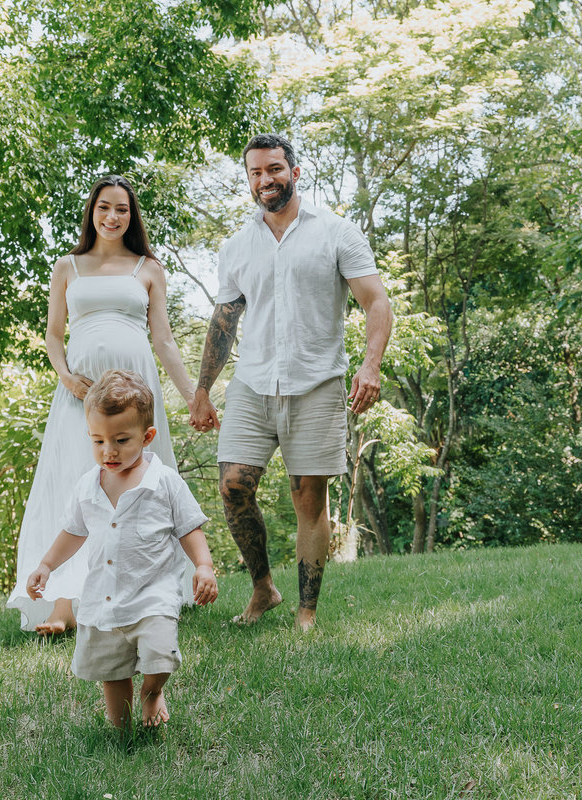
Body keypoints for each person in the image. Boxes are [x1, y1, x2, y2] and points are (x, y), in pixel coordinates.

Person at [189, 133, 392, 632]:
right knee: (233, 487)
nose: (266, 180)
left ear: (295, 173)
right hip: (252, 385)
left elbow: (377, 303)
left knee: (308, 499)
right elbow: (224, 320)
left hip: (316, 384)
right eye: (256, 172)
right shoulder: (237, 246)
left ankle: (307, 612)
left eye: (274, 170)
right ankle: (263, 588)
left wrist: (370, 365)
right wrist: (202, 389)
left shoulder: (337, 232)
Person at [7, 175, 200, 634]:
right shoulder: (68, 267)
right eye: (104, 208)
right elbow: (55, 336)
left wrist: (195, 396)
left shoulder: (148, 268)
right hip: (81, 396)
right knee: (75, 484)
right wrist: (68, 378)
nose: (113, 217)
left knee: (140, 488)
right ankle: (64, 607)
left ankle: (144, 596)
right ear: (91, 213)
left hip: (136, 391)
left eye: (123, 210)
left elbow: (165, 340)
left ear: (132, 217)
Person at [27, 370, 218, 728]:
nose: (109, 451)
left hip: (153, 593)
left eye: (121, 440)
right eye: (98, 441)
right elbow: (73, 531)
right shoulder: (88, 486)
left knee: (160, 656)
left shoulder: (164, 482)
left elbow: (189, 527)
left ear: (147, 437)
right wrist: (47, 565)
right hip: (105, 598)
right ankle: (121, 733)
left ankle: (152, 692)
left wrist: (203, 566)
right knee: (111, 672)